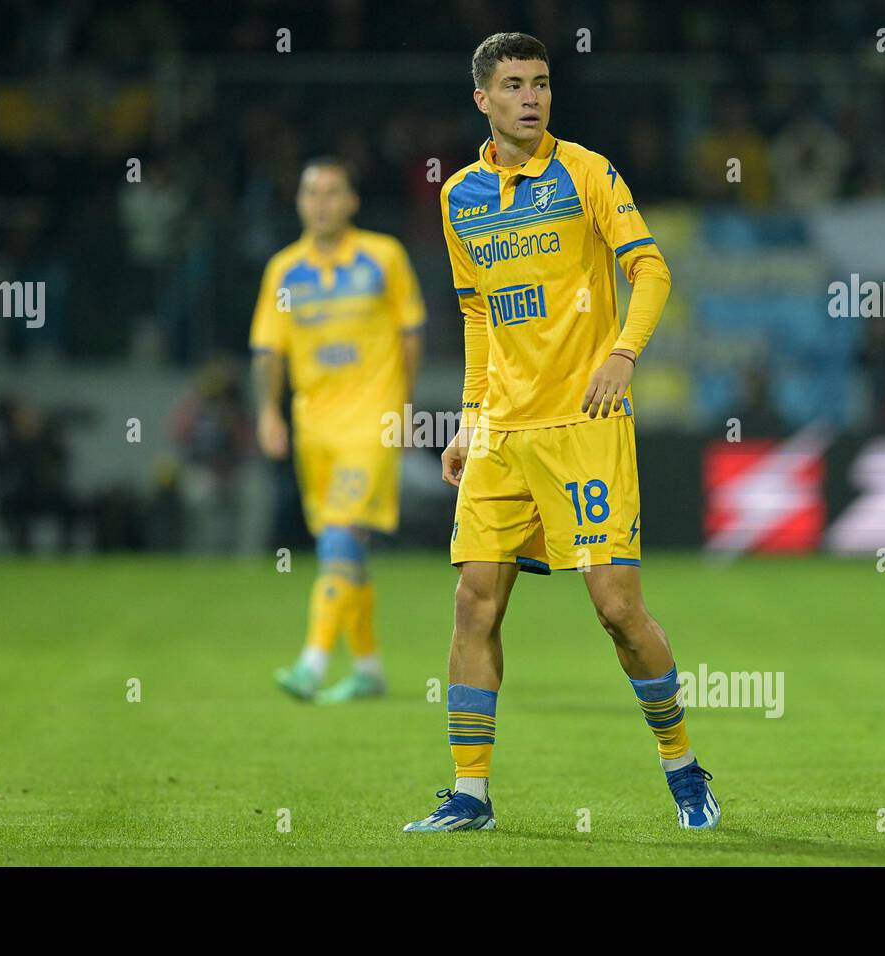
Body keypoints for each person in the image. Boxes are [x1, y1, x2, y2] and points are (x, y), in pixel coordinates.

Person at [405, 33, 720, 832]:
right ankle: (470, 794)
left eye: (541, 83)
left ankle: (681, 764)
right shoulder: (460, 198)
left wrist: (621, 354)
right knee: (474, 603)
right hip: (502, 433)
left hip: (585, 424)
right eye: (513, 85)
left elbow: (652, 270)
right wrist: (469, 418)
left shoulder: (586, 171)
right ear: (482, 98)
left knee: (617, 611)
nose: (531, 97)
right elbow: (477, 314)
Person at [249, 157, 425, 704]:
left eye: (332, 192)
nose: (320, 202)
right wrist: (268, 412)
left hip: (371, 422)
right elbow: (268, 348)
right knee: (349, 548)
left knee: (338, 535)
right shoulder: (284, 270)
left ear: (352, 201)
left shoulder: (383, 256)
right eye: (310, 193)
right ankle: (369, 668)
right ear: (299, 203)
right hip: (313, 427)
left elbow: (411, 332)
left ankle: (313, 661)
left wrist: (403, 405)